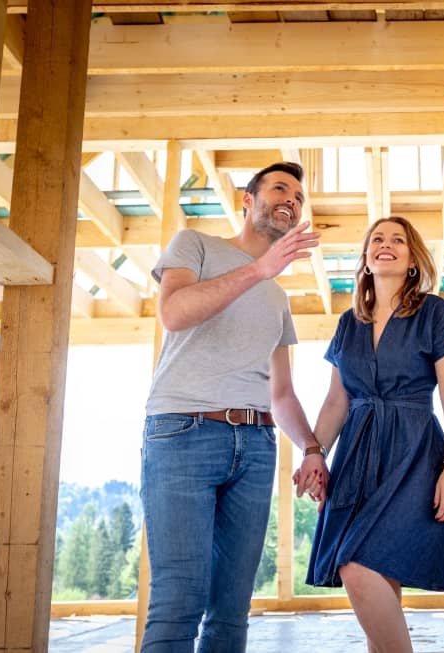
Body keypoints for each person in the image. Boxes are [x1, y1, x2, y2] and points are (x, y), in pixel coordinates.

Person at [140, 161, 329, 653]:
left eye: (299, 197)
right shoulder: (195, 245)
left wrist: (312, 448)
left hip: (257, 445)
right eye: (280, 188)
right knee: (178, 601)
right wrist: (258, 270)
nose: (292, 199)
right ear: (249, 200)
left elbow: (282, 393)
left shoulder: (278, 297)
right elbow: (173, 314)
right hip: (183, 433)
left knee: (231, 611)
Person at [300, 216, 444, 653]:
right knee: (378, 577)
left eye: (398, 240)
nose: (386, 245)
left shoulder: (433, 312)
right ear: (365, 258)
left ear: (413, 260)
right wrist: (314, 453)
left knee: (355, 565)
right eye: (377, 239)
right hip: (356, 455)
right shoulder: (347, 323)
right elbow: (336, 400)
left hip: (414, 453)